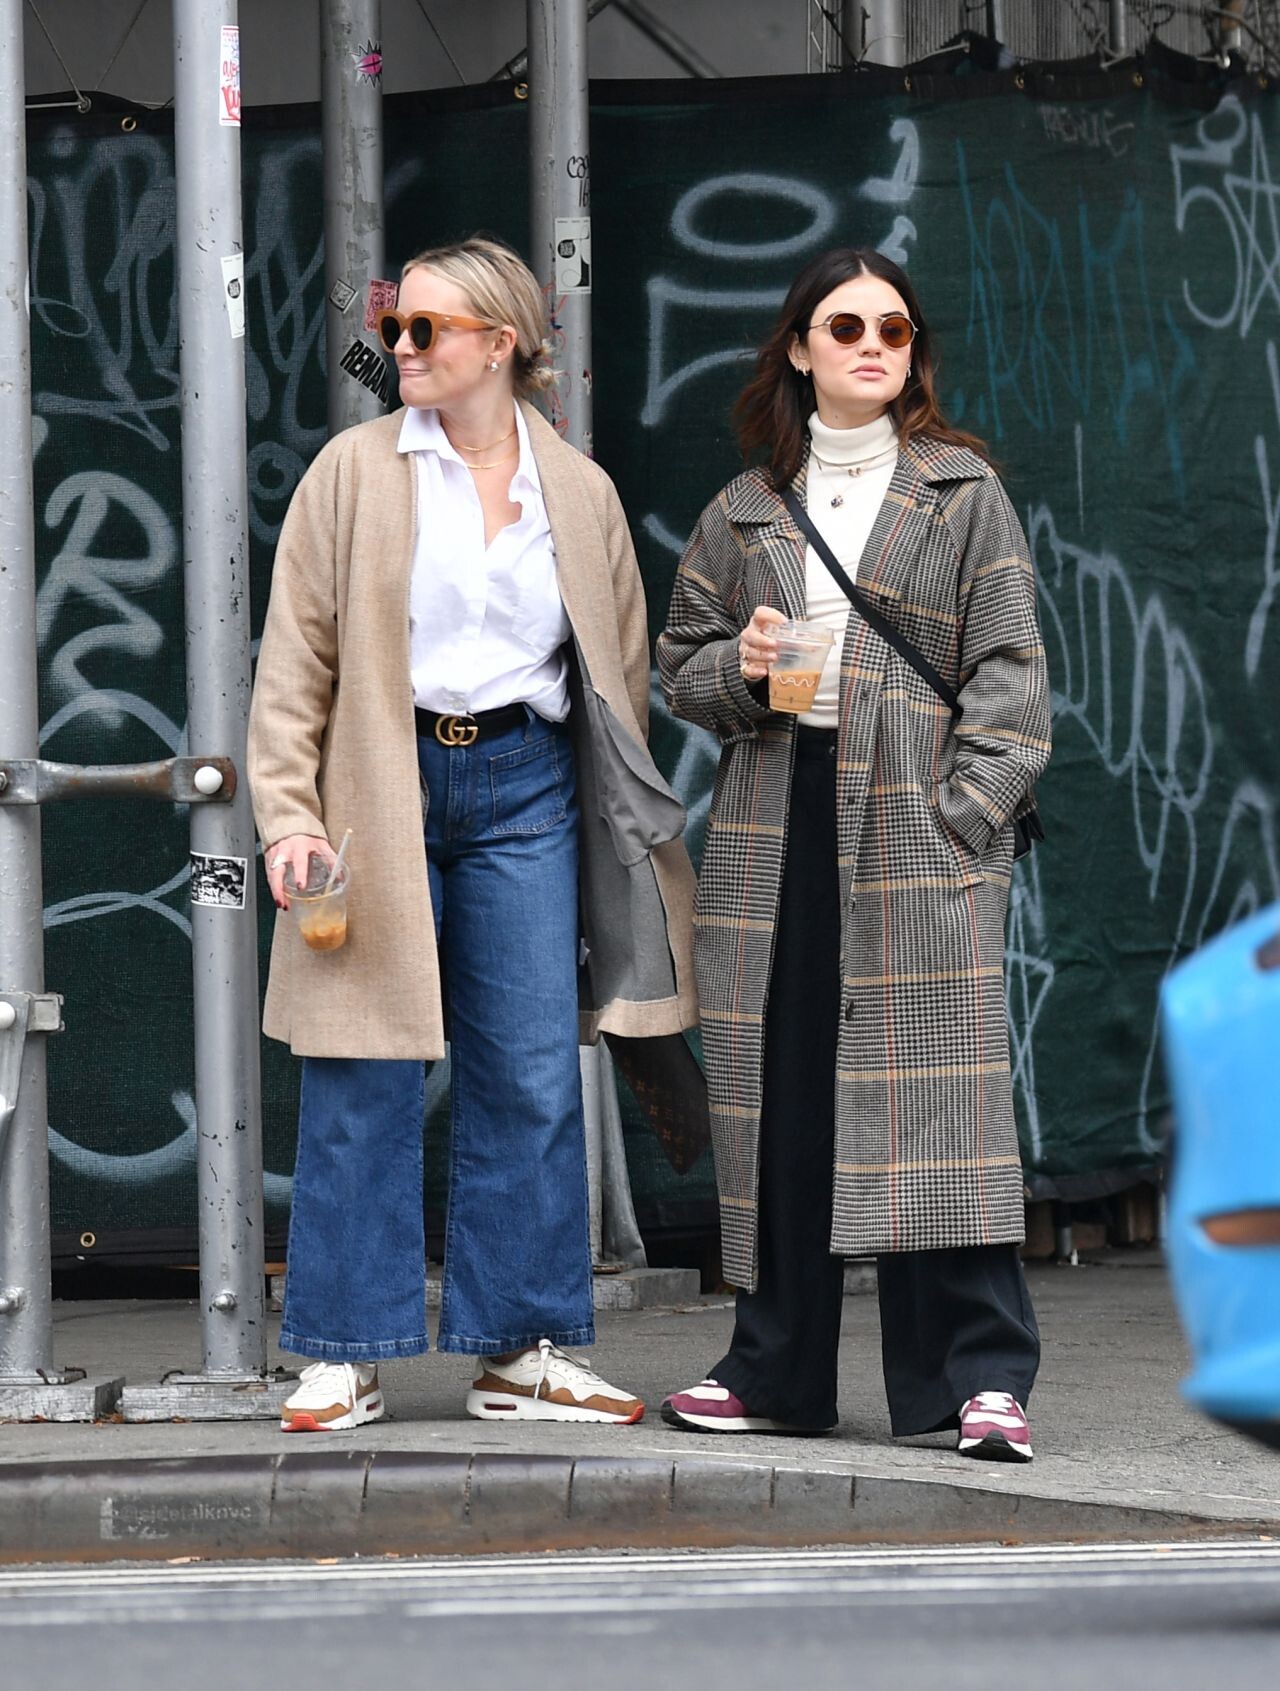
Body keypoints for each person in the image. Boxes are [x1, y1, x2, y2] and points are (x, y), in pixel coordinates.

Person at [248, 236, 697, 1432]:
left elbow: (618, 677)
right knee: (360, 1059)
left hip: (525, 783)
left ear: (501, 343)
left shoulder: (579, 491)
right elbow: (294, 662)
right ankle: (343, 1351)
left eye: (426, 329)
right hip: (378, 781)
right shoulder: (353, 472)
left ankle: (519, 1350)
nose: (399, 346)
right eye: (394, 327)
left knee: (532, 1070)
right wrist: (289, 815)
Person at [656, 247, 1051, 1461]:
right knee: (780, 1097)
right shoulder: (742, 508)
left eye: (891, 328)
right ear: (798, 347)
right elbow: (679, 667)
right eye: (844, 326)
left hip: (916, 812)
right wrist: (742, 669)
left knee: (937, 1094)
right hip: (776, 813)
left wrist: (967, 811)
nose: (871, 345)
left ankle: (977, 1377)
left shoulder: (960, 490)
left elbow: (1010, 667)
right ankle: (776, 1369)